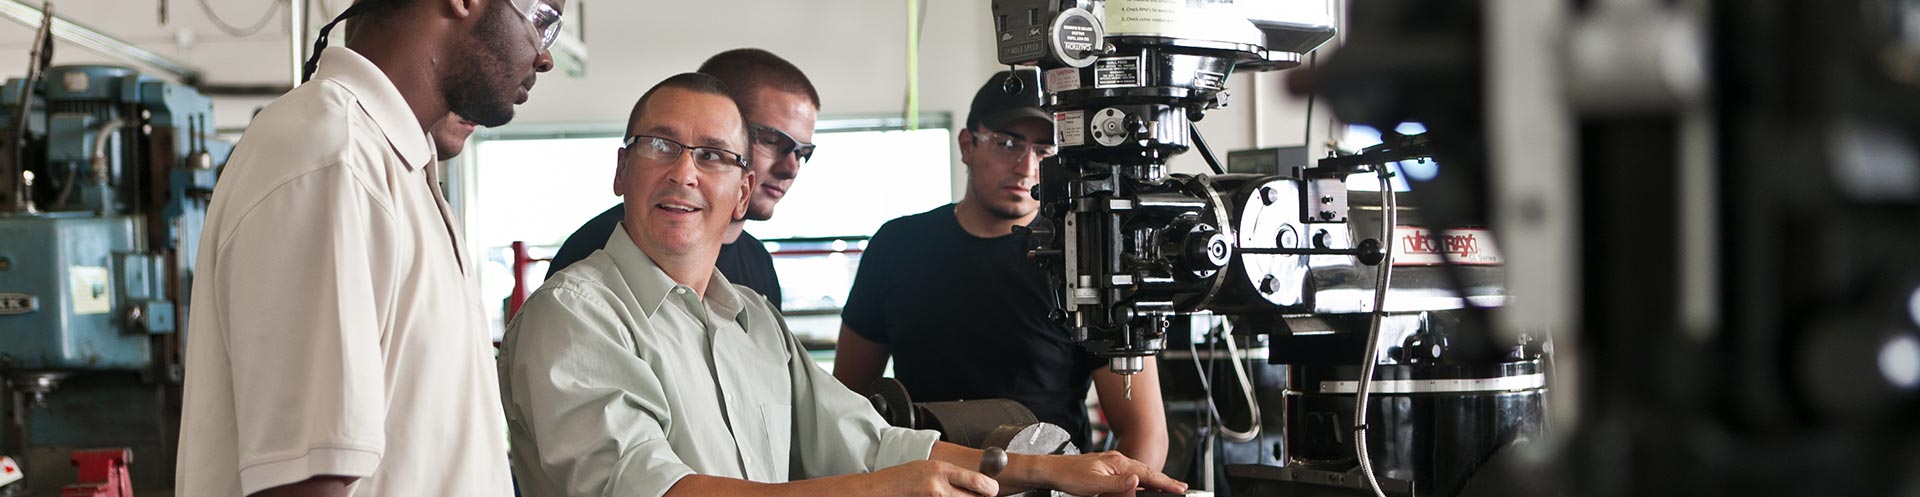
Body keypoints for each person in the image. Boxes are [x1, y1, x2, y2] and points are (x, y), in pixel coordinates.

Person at [499, 73, 1186, 497]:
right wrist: (884, 489)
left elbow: (868, 437)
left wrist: (1050, 470)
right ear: (621, 170)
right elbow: (656, 490)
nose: (684, 173)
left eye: (712, 157)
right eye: (660, 146)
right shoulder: (575, 316)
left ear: (741, 193)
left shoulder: (755, 324)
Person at [174, 0, 564, 495]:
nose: (545, 57)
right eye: (542, 18)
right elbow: (305, 482)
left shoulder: (396, 168)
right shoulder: (334, 157)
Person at [833, 70, 1170, 468]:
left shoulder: (1087, 256)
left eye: (1045, 152)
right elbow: (845, 406)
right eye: (1007, 144)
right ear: (967, 145)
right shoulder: (897, 246)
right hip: (926, 483)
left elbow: (1145, 432)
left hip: (1050, 489)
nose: (1026, 167)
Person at [545, 48, 818, 309]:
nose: (791, 168)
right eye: (772, 141)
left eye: (802, 153)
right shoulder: (600, 252)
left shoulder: (758, 260)